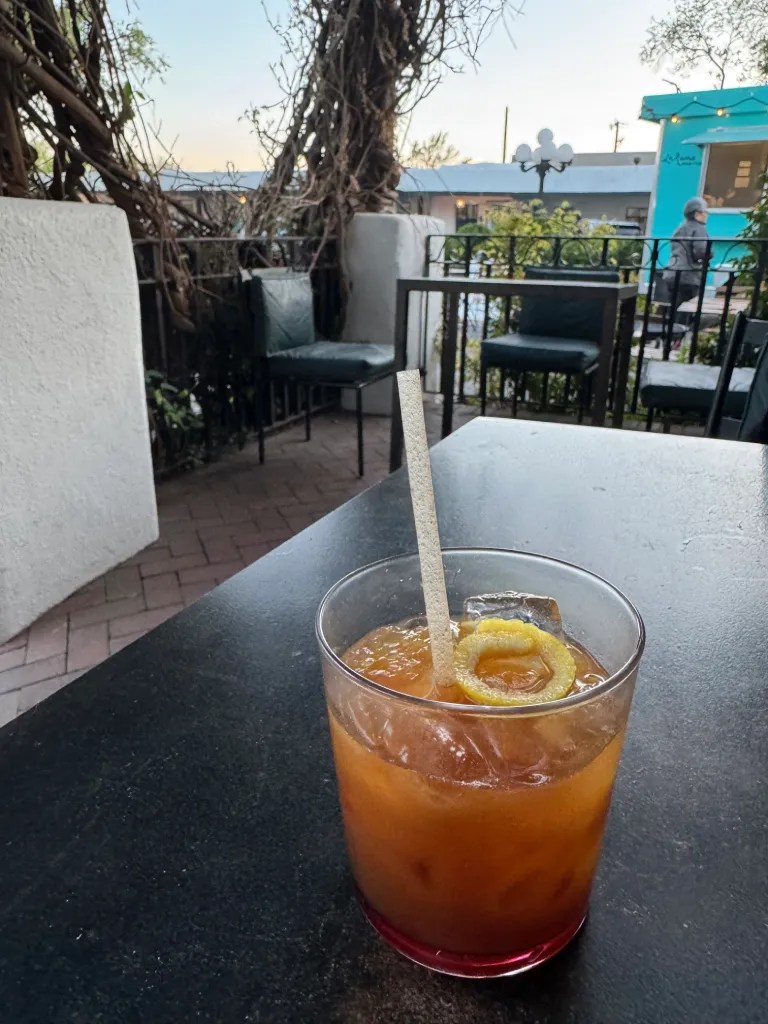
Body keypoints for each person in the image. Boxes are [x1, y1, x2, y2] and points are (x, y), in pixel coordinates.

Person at [661, 197, 710, 309]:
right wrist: (710, 253)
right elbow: (701, 251)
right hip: (689, 275)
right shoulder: (699, 228)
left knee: (673, 310)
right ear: (697, 214)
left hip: (672, 273)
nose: (707, 215)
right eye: (705, 212)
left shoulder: (680, 228)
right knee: (687, 312)